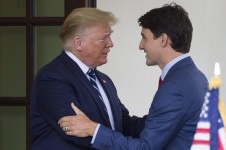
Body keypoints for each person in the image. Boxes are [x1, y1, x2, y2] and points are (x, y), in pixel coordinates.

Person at [58, 2, 208, 150]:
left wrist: (93, 129)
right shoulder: (197, 77)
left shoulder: (175, 87)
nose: (140, 45)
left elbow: (145, 147)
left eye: (144, 37)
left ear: (163, 39)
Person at [30, 7, 146, 150]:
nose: (110, 43)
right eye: (104, 37)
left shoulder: (104, 80)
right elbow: (76, 132)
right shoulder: (52, 78)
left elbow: (124, 124)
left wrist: (164, 118)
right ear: (79, 43)